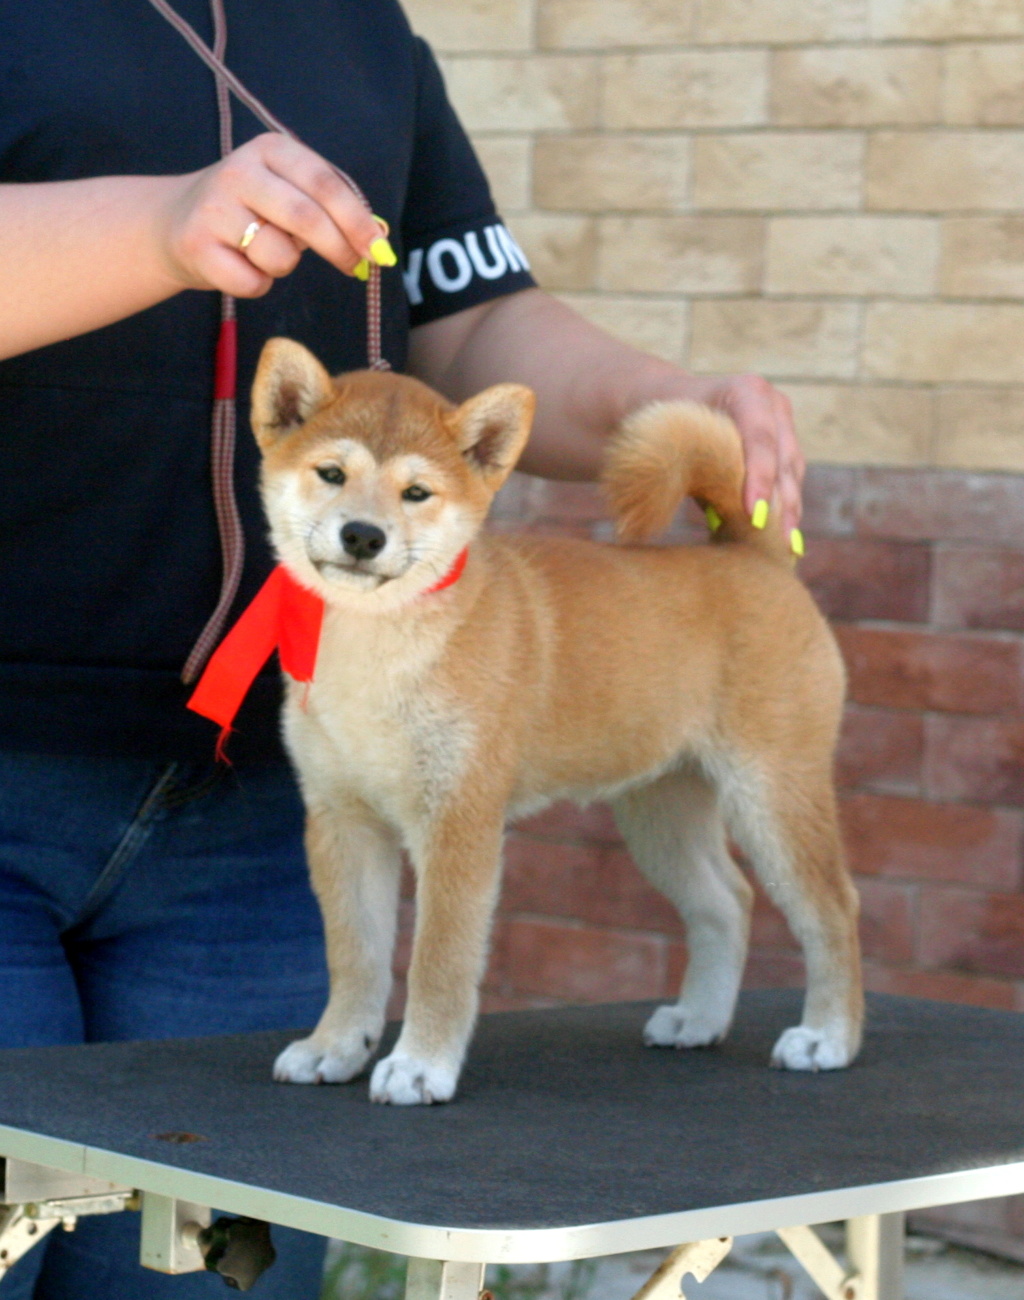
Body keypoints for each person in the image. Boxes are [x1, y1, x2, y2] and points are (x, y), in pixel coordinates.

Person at [0, 1, 804, 1296]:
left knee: (205, 1281)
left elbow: (468, 319)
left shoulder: (360, 30)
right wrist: (155, 228)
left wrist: (667, 405)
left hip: (267, 815)